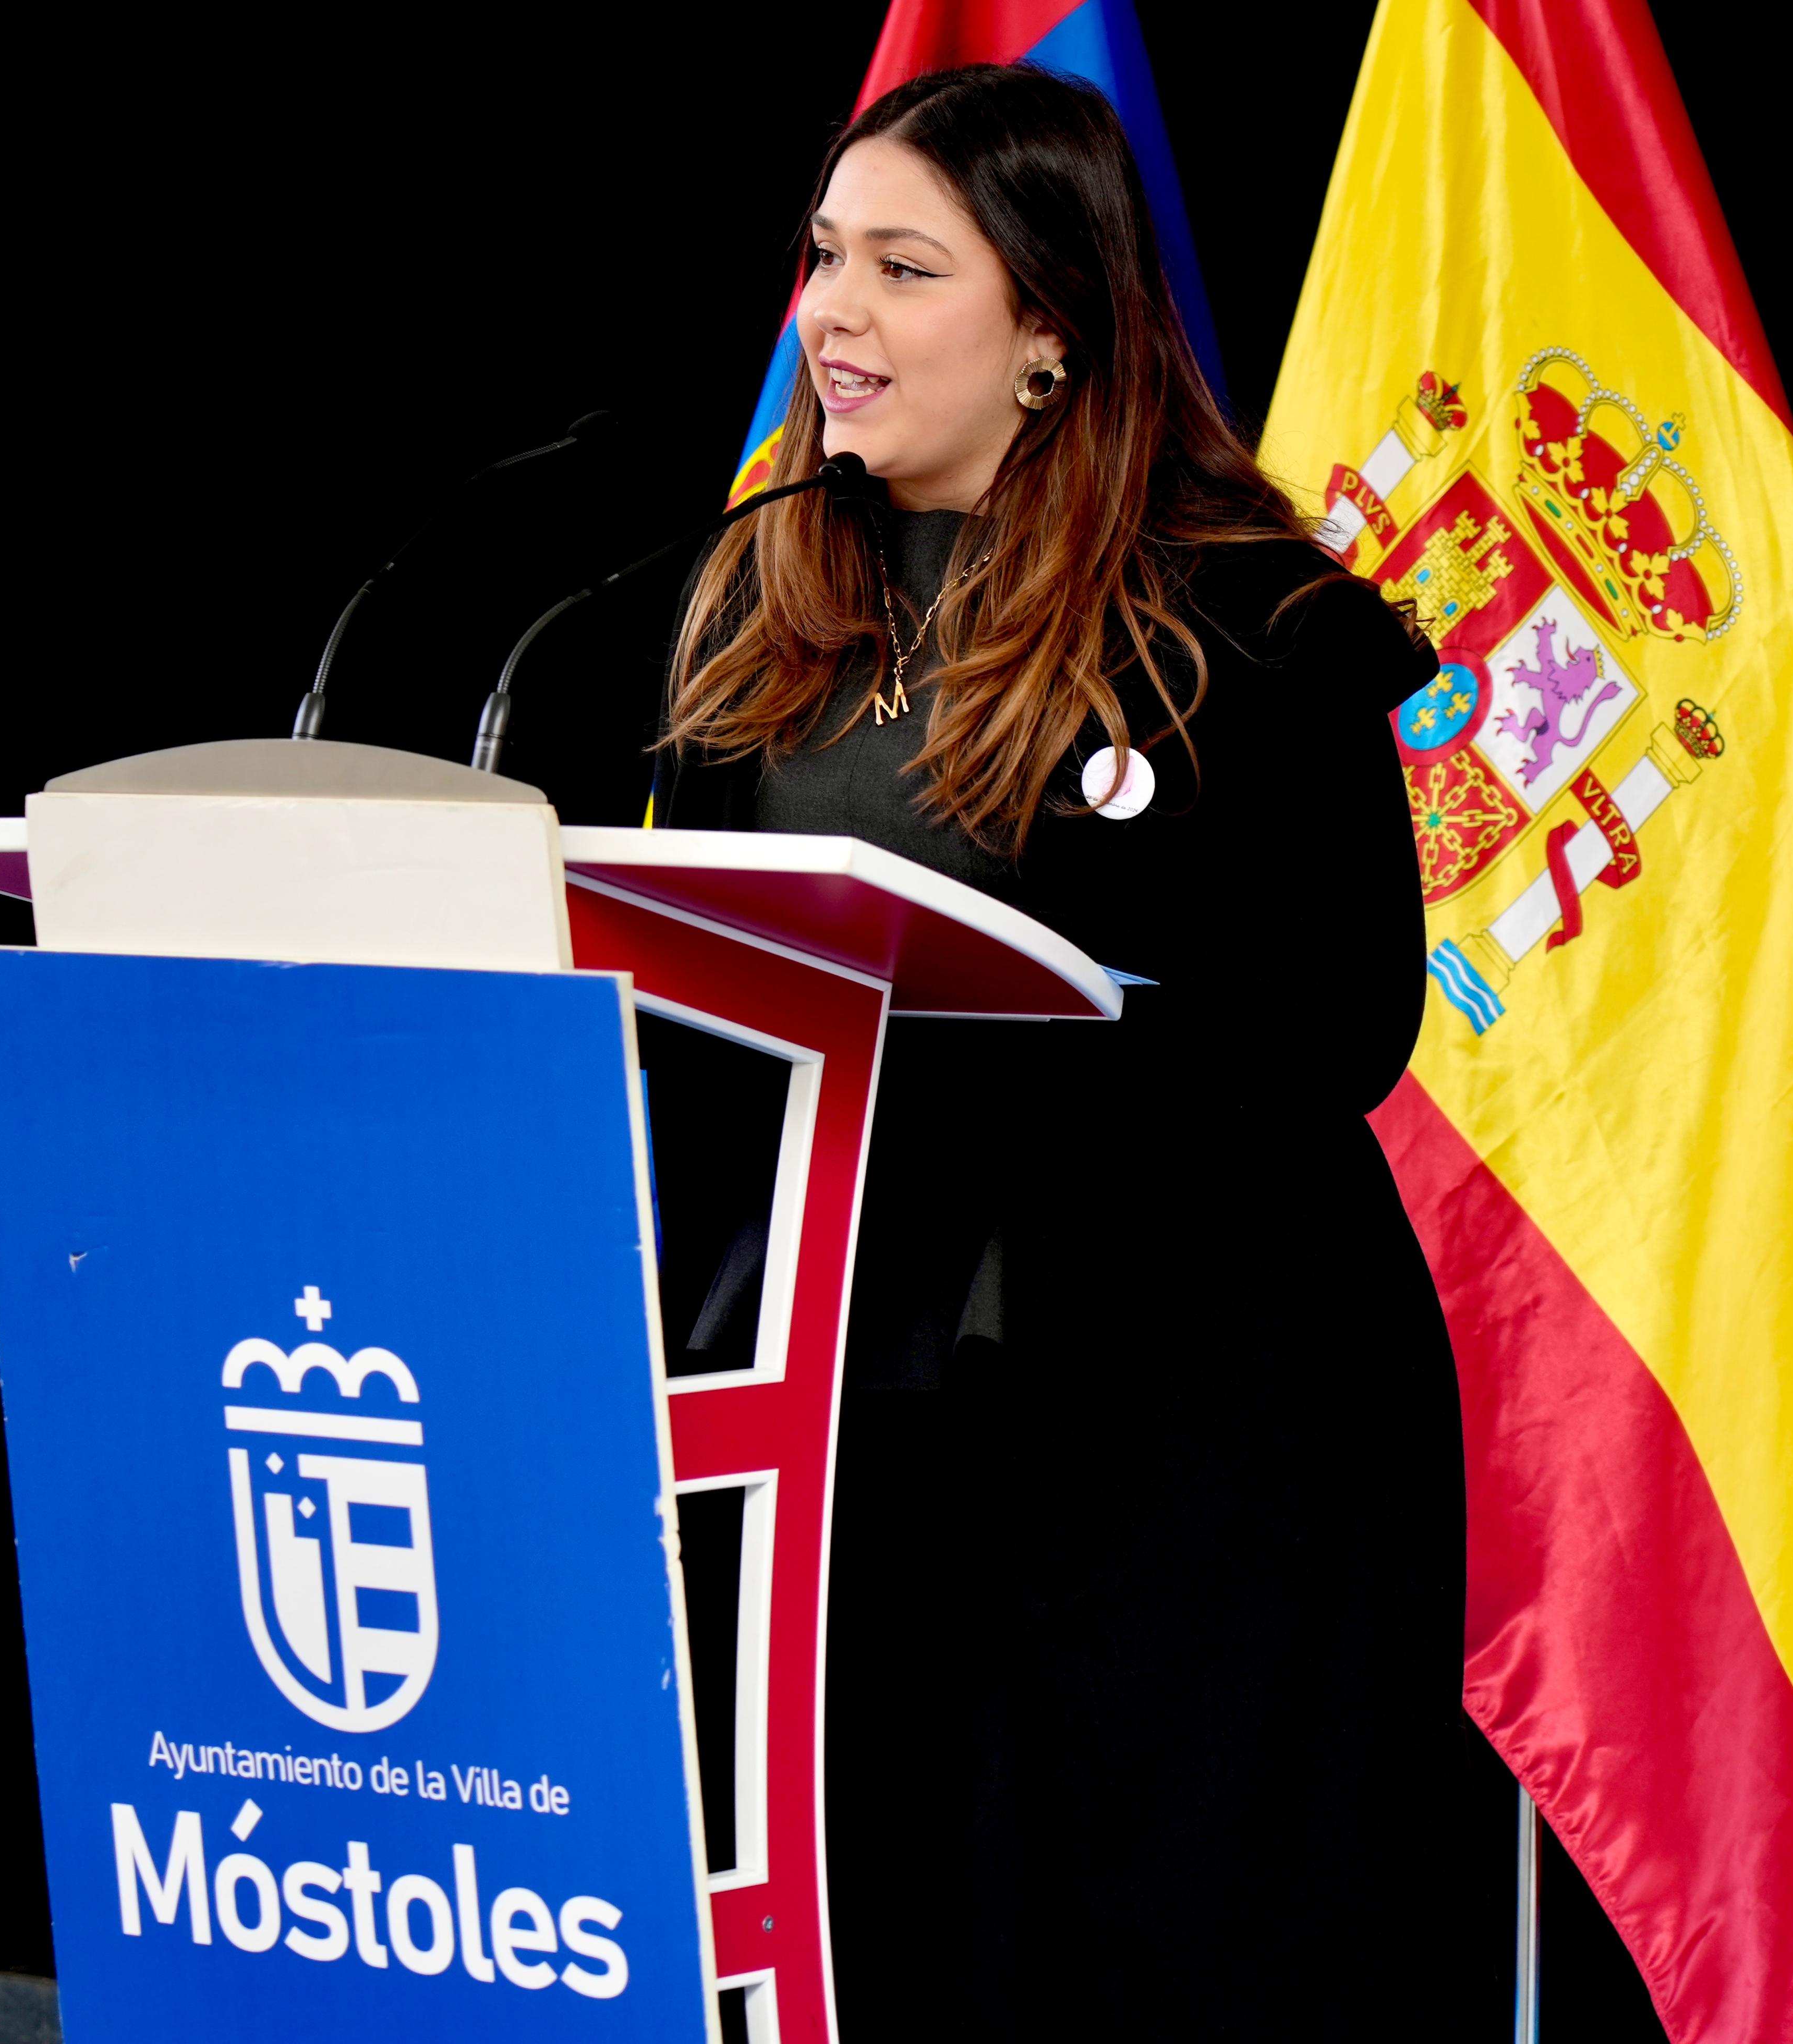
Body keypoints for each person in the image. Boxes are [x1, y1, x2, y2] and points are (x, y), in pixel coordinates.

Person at [650, 63, 1463, 2037]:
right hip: (856, 1428)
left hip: (1193, 1438)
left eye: (902, 268)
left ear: (1051, 330)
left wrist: (1054, 1008)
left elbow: (1344, 1023)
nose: (833, 316)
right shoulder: (770, 596)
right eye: (825, 259)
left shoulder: (1252, 627)